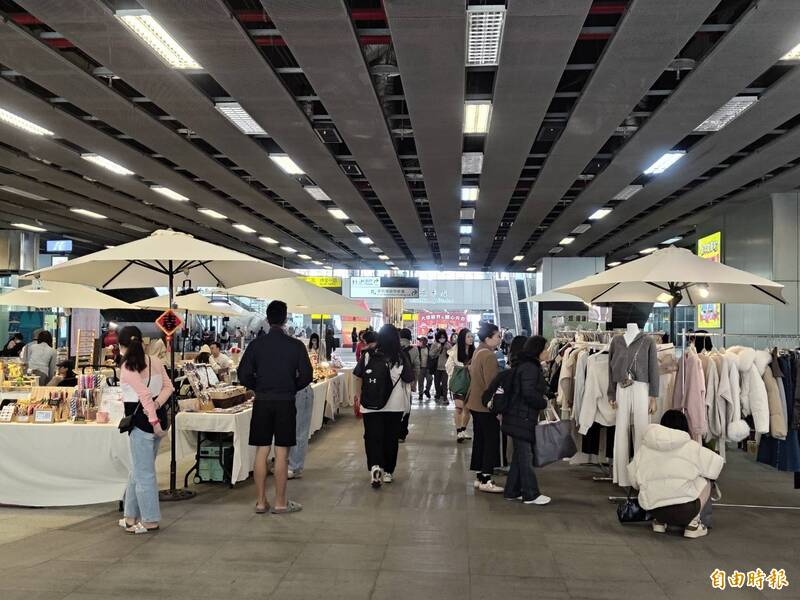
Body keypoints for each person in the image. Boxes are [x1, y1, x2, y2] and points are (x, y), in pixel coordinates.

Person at [238, 301, 313, 515]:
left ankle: (261, 502)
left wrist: (258, 386)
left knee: (262, 451)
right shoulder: (295, 345)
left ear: (268, 319)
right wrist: (291, 386)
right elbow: (307, 376)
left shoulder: (255, 345)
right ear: (285, 318)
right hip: (286, 402)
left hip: (262, 401)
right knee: (282, 453)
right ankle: (281, 502)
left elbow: (243, 375)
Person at [628, 410, 724, 539]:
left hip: (654, 510)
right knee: (706, 479)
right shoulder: (692, 447)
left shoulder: (645, 447)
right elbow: (716, 467)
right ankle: (693, 524)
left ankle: (659, 522)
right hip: (686, 511)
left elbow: (633, 480)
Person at [118, 325, 173, 534]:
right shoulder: (156, 361)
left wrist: (154, 422)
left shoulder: (128, 367)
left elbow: (144, 396)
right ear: (143, 342)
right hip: (156, 419)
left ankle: (149, 519)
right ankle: (130, 516)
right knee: (139, 469)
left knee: (144, 473)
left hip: (142, 424)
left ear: (121, 346)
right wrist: (158, 408)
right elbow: (169, 388)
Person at [353, 324, 414, 487]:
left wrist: (358, 396)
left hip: (370, 404)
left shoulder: (368, 354)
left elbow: (358, 376)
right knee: (390, 438)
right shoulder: (401, 356)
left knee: (372, 437)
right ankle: (388, 472)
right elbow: (409, 379)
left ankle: (374, 466)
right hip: (395, 405)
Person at [501, 336, 551, 505]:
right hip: (522, 416)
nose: (547, 351)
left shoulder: (525, 365)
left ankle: (512, 490)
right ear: (537, 350)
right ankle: (531, 494)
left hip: (518, 416)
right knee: (525, 457)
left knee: (520, 456)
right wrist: (543, 402)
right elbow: (528, 393)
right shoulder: (530, 368)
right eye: (545, 348)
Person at [465, 322, 504, 493]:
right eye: (497, 336)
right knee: (490, 441)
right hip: (485, 406)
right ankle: (487, 477)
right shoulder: (489, 356)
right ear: (488, 338)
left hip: (475, 403)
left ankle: (480, 475)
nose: (500, 339)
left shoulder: (478, 352)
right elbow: (492, 385)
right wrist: (498, 409)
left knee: (480, 440)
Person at [446, 328, 475, 443]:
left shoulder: (475, 352)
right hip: (458, 383)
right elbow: (448, 366)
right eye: (468, 336)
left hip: (471, 384)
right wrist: (460, 371)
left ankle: (463, 430)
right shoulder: (454, 351)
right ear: (463, 338)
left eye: (472, 336)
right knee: (459, 407)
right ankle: (458, 432)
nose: (471, 339)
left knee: (468, 409)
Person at [398, 328, 420, 443]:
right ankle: (402, 433)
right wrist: (414, 383)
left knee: (395, 406)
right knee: (407, 407)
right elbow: (416, 367)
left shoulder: (394, 346)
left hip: (394, 382)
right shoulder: (414, 349)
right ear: (410, 337)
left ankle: (394, 431)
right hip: (407, 381)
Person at [429, 329, 451, 404]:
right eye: (440, 337)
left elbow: (452, 355)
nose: (442, 338)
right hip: (436, 367)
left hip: (445, 368)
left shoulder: (448, 344)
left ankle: (445, 397)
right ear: (438, 337)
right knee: (437, 383)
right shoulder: (435, 344)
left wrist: (448, 349)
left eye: (443, 337)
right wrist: (437, 349)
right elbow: (431, 354)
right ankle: (438, 395)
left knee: (445, 383)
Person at [416, 336, 431, 401]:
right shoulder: (417, 349)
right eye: (420, 341)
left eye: (422, 341)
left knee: (430, 379)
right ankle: (420, 394)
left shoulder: (429, 349)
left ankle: (427, 390)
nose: (421, 342)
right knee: (420, 382)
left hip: (427, 368)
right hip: (420, 368)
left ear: (425, 342)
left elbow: (431, 358)